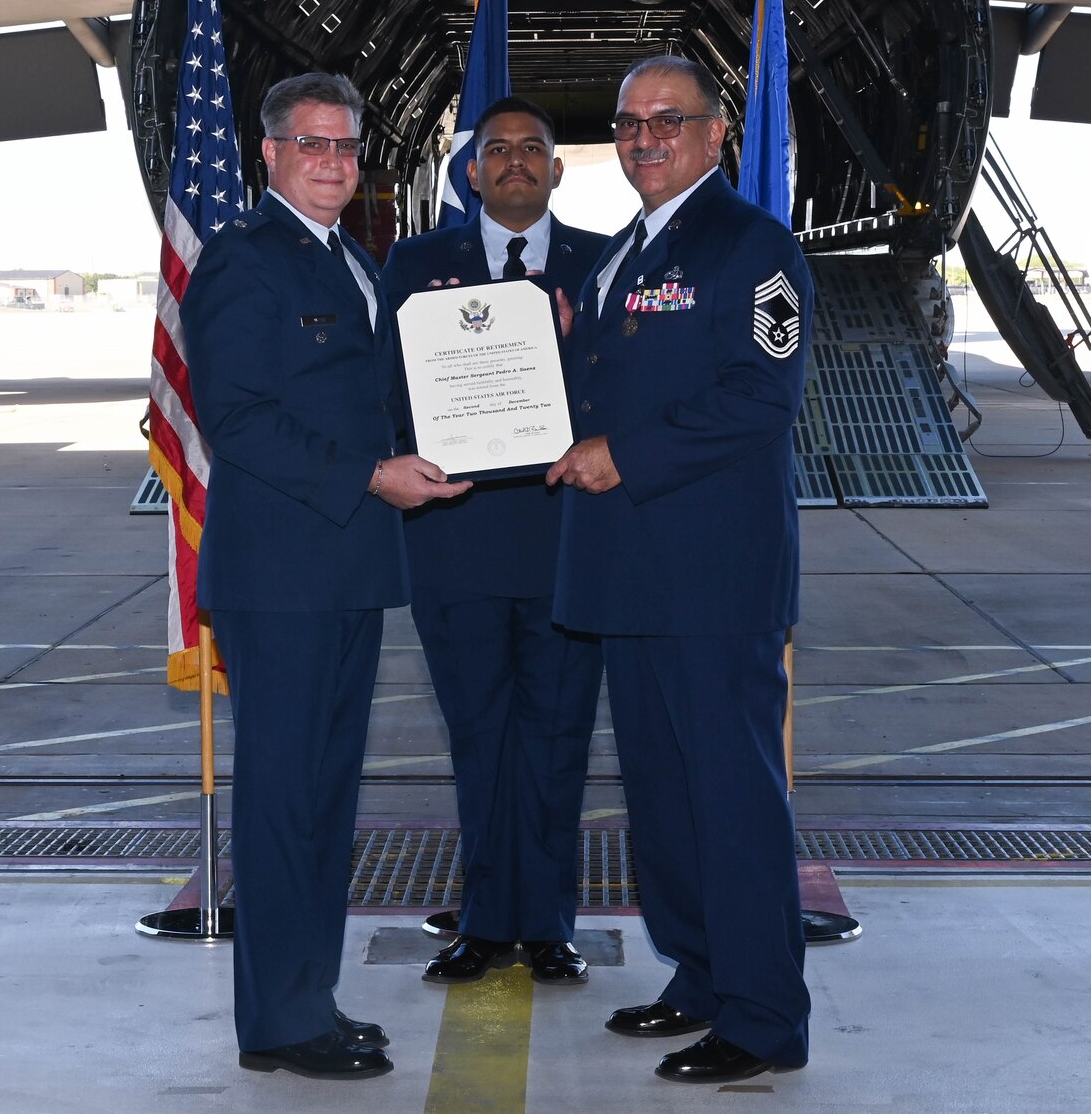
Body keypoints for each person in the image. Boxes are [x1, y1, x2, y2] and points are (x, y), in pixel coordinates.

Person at [181, 72, 469, 1080]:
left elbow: (370, 397)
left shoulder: (350, 258)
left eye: (347, 147)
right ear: (268, 153)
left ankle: (308, 997)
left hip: (342, 569)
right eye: (312, 145)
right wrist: (369, 474)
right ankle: (275, 1020)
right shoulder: (242, 262)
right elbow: (242, 419)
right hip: (283, 577)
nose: (334, 163)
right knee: (281, 802)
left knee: (322, 802)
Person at [547, 55, 813, 1085]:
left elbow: (761, 396)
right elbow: (608, 382)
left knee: (730, 797)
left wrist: (626, 454)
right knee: (661, 795)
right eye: (625, 123)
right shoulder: (620, 254)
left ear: (715, 135)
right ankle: (700, 975)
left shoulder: (756, 249)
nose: (642, 137)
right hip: (628, 574)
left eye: (666, 119)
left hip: (711, 577)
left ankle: (761, 1016)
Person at [380, 96, 607, 987]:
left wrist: (575, 346)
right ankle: (483, 919)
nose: (515, 160)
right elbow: (384, 393)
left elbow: (623, 392)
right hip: (456, 543)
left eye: (533, 149)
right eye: (496, 148)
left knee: (557, 740)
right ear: (468, 172)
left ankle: (548, 923)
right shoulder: (415, 264)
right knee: (478, 740)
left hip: (566, 544)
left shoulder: (604, 265)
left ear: (557, 169)